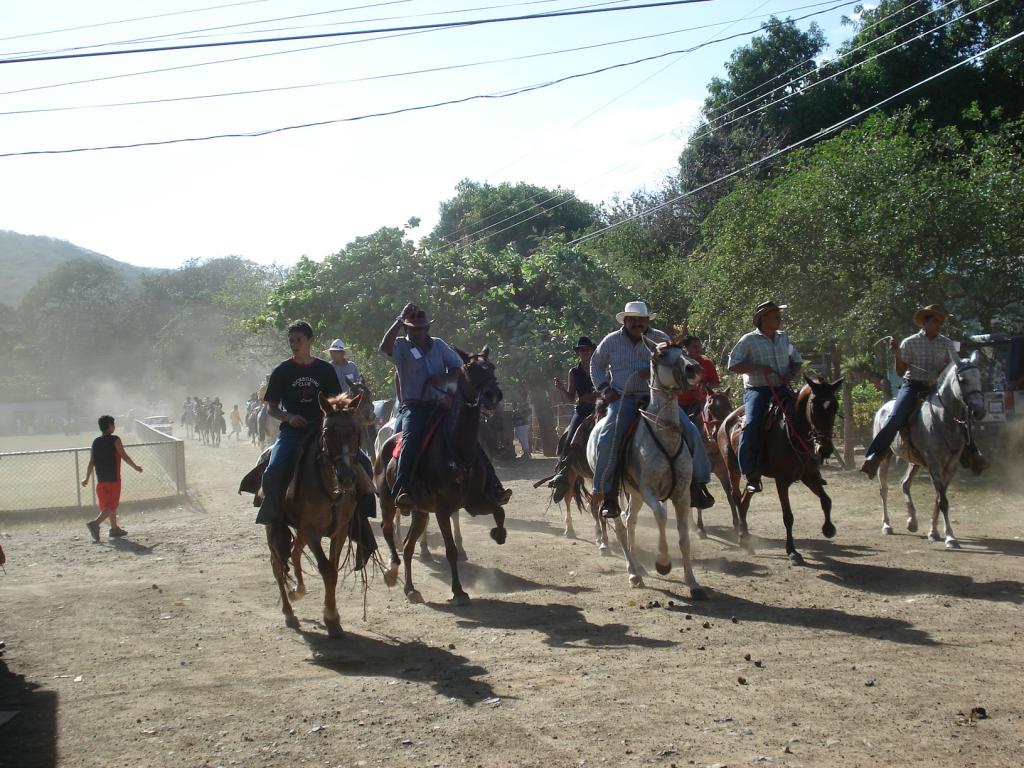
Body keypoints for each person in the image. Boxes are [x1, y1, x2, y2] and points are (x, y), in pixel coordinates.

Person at [380, 303, 512, 510]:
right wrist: (398, 319)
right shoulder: (400, 347)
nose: (419, 331)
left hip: (441, 405)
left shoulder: (439, 345)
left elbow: (459, 369)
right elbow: (384, 349)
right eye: (414, 328)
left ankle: (493, 486)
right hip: (414, 407)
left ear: (427, 328)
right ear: (406, 328)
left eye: (422, 327)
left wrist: (441, 380)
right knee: (412, 438)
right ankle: (402, 489)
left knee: (470, 439)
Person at [590, 301, 715, 519]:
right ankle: (607, 492)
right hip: (624, 398)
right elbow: (595, 365)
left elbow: (677, 363)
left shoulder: (661, 338)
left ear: (648, 320)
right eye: (633, 319)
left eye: (642, 319)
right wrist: (604, 388)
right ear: (625, 320)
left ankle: (698, 484)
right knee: (608, 435)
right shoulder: (611, 341)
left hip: (659, 398)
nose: (637, 323)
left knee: (691, 431)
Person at [860, 304, 986, 477]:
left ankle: (972, 454)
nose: (939, 325)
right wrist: (898, 355)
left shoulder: (946, 343)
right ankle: (875, 455)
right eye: (936, 321)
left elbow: (950, 365)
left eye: (941, 322)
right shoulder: (910, 342)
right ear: (925, 322)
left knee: (961, 415)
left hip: (935, 388)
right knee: (896, 416)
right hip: (912, 386)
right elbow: (900, 371)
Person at [727, 300, 803, 494]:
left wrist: (791, 374)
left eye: (779, 314)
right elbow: (733, 365)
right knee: (751, 424)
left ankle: (809, 463)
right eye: (775, 314)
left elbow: (796, 361)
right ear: (763, 318)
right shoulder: (748, 340)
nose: (779, 318)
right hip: (758, 390)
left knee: (805, 415)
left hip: (782, 387)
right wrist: (759, 368)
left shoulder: (783, 338)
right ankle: (752, 474)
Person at [547, 336, 598, 496]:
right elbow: (570, 397)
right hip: (582, 409)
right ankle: (561, 471)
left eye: (586, 349)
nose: (584, 352)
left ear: (591, 350)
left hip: (600, 407)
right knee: (569, 437)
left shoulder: (600, 368)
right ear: (578, 352)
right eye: (581, 350)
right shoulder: (574, 372)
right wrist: (561, 388)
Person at [82, 415, 143, 541]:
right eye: (113, 424)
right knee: (112, 506)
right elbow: (124, 456)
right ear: (110, 426)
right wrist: (135, 467)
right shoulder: (115, 439)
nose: (114, 426)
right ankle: (95, 524)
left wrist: (86, 478)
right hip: (113, 480)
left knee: (108, 507)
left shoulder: (96, 442)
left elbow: (91, 462)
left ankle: (114, 529)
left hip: (101, 481)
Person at [677, 335, 721, 421]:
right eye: (694, 347)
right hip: (680, 404)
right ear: (686, 348)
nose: (698, 349)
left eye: (699, 346)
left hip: (701, 403)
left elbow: (716, 383)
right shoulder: (679, 362)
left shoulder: (707, 363)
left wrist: (706, 386)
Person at [511, 392, 532, 459]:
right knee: (522, 439)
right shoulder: (522, 404)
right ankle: (526, 453)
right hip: (521, 423)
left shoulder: (524, 404)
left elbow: (524, 414)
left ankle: (526, 453)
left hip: (522, 423)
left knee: (523, 439)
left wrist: (515, 415)